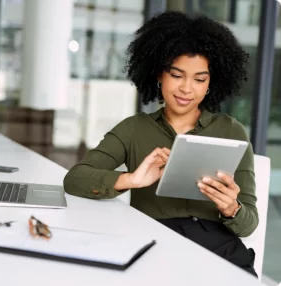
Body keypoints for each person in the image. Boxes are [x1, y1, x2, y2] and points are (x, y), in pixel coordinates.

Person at [63, 11, 258, 277]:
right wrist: (131, 179)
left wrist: (231, 207)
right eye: (177, 75)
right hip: (153, 242)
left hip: (218, 248)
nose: (187, 88)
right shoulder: (133, 129)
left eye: (199, 79)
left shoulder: (232, 131)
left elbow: (248, 225)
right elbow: (75, 179)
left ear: (211, 83)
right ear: (159, 75)